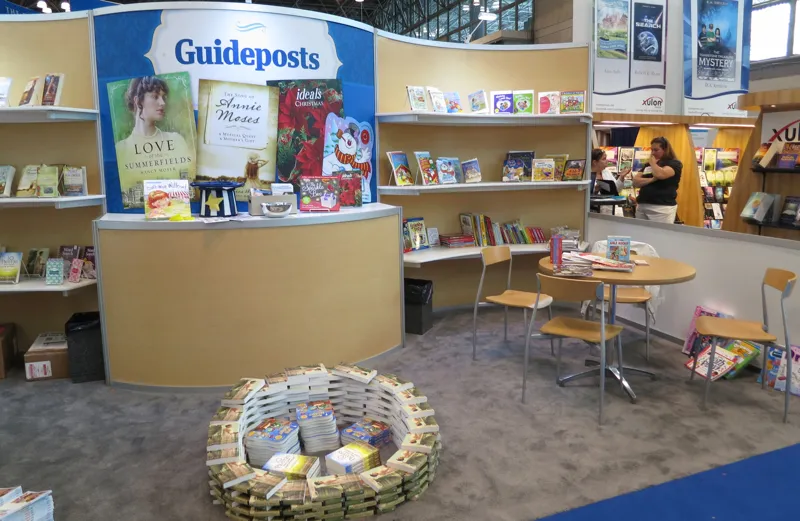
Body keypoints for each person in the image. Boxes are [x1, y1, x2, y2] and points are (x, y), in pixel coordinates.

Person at [632, 136, 683, 223]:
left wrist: (653, 164)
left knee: (660, 235)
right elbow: (636, 182)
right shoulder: (648, 165)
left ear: (665, 150)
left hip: (662, 208)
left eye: (656, 150)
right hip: (643, 205)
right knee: (641, 234)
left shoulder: (674, 164)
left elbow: (659, 174)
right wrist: (652, 180)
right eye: (651, 150)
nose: (653, 153)